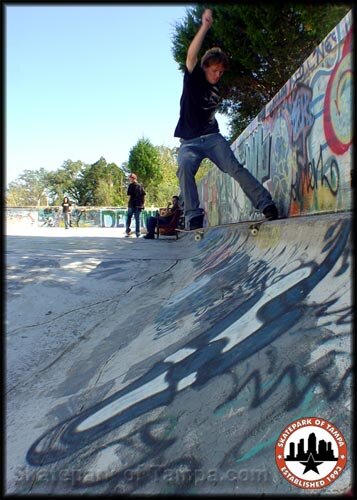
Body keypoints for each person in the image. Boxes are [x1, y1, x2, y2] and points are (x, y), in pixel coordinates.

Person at [174, 8, 279, 230]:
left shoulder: (217, 90)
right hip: (189, 142)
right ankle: (193, 216)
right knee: (184, 165)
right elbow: (191, 56)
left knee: (234, 167)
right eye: (214, 71)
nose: (217, 76)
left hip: (212, 138)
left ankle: (265, 203)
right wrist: (205, 26)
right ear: (205, 68)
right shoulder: (193, 78)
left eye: (221, 72)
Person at [125, 173, 146, 237]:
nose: (130, 179)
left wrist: (143, 204)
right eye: (130, 178)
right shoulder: (131, 185)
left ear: (134, 178)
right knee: (129, 217)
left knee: (137, 219)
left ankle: (137, 232)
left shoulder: (140, 186)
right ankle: (128, 230)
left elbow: (143, 195)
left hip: (137, 204)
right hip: (132, 204)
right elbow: (129, 195)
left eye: (131, 178)